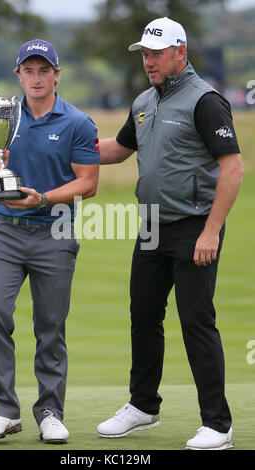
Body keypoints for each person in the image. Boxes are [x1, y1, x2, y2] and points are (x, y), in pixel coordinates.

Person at [96, 17, 244, 450]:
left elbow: (232, 168)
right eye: (144, 54)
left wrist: (211, 231)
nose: (148, 61)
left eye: (156, 53)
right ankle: (143, 406)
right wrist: (55, 145)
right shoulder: (144, 100)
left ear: (180, 51)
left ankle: (218, 425)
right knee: (143, 316)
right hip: (151, 228)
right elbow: (117, 150)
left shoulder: (206, 100)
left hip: (195, 227)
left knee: (196, 321)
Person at [0, 39, 100, 444]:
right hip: (5, 229)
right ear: (19, 76)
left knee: (50, 326)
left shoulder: (77, 122)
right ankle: (3, 410)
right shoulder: (3, 114)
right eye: (28, 70)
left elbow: (89, 182)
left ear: (56, 75)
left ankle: (50, 411)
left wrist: (43, 197)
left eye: (43, 70)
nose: (36, 77)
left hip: (55, 230)